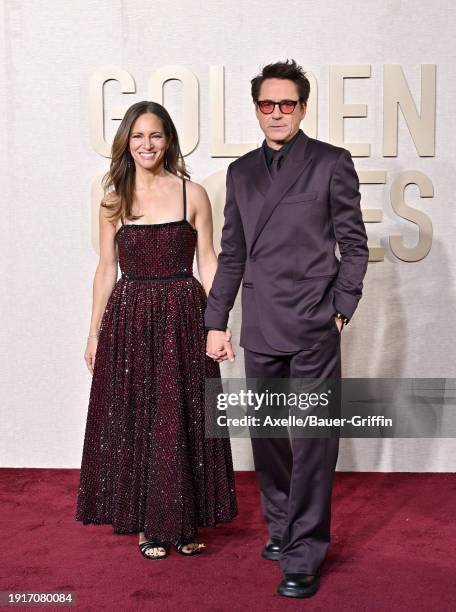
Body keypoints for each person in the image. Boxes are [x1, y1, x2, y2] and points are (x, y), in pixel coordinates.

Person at [205, 60, 368, 597]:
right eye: (266, 104)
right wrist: (216, 321)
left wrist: (340, 307)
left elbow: (355, 245)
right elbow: (232, 255)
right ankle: (281, 529)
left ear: (303, 107)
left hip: (315, 323)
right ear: (256, 108)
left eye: (287, 104)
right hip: (260, 324)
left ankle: (304, 551)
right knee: (269, 438)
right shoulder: (242, 173)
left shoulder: (330, 163)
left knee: (314, 440)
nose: (276, 113)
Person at [76, 100, 237, 560]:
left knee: (181, 415)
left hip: (185, 313)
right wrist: (94, 333)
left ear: (169, 141)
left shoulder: (193, 194)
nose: (147, 144)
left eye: (156, 135)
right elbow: (106, 269)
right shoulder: (113, 199)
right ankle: (150, 524)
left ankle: (182, 521)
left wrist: (218, 324)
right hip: (130, 318)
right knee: (142, 418)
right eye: (139, 135)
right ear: (127, 141)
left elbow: (209, 261)